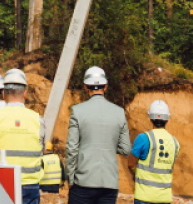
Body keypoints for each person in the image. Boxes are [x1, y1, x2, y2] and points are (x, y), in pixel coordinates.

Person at [66, 66, 130, 204]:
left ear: (85, 87)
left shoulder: (77, 111)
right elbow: (125, 149)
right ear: (105, 87)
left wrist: (70, 179)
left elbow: (72, 149)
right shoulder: (119, 112)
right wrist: (109, 144)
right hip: (109, 183)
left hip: (83, 181)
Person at [0, 68, 46, 204]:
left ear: (3, 93)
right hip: (30, 184)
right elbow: (41, 149)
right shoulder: (38, 120)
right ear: (25, 93)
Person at [131, 100, 179, 204]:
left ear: (150, 118)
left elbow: (130, 163)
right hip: (164, 198)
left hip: (144, 197)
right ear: (167, 119)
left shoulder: (143, 138)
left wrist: (134, 174)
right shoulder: (175, 143)